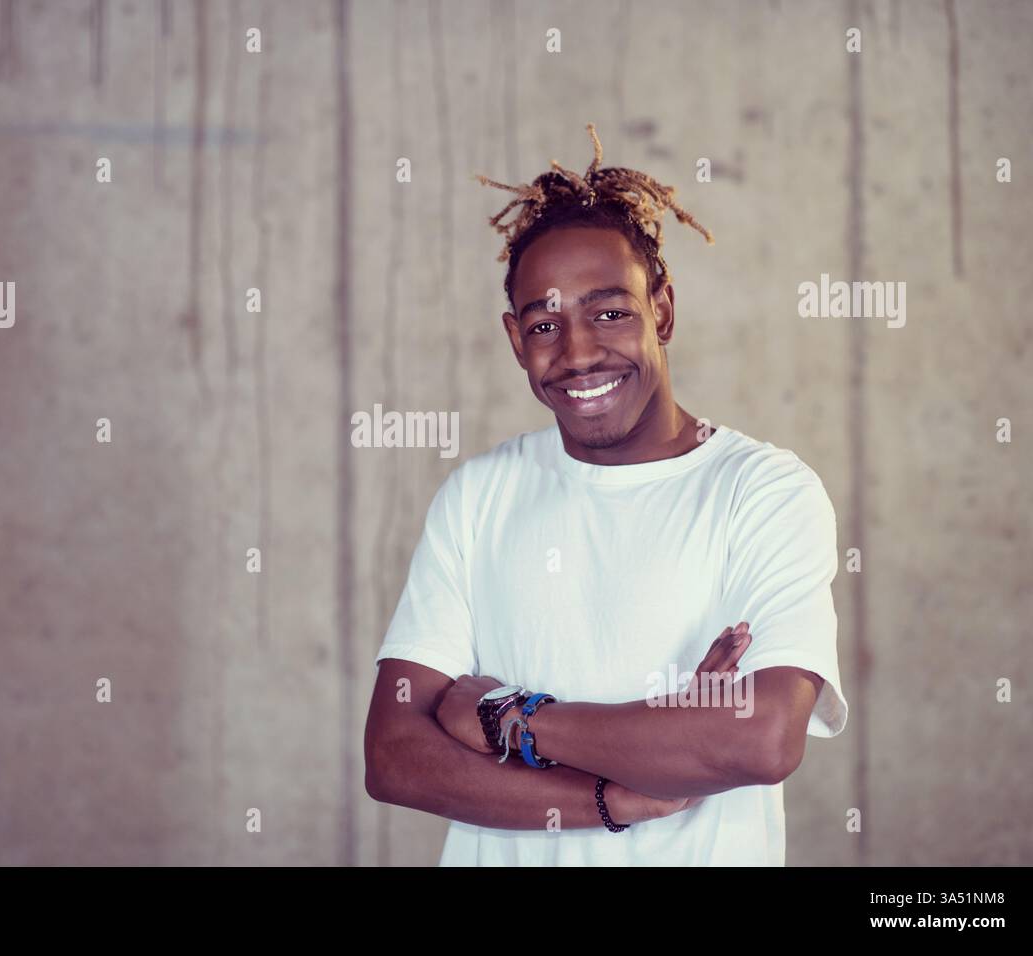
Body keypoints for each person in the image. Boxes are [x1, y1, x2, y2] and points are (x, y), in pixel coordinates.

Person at [363, 123, 848, 866]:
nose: (579, 351)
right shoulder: (478, 497)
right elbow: (395, 755)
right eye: (546, 324)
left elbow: (761, 737)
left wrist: (505, 716)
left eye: (610, 311)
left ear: (663, 310)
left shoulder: (765, 492)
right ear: (515, 340)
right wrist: (622, 791)